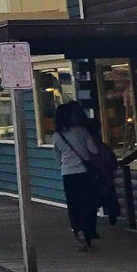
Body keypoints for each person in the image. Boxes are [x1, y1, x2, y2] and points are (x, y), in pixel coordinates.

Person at [53, 101, 99, 252]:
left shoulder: (57, 136)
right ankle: (87, 232)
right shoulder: (82, 131)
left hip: (67, 173)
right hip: (84, 172)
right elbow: (94, 150)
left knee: (73, 204)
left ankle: (77, 228)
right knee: (87, 202)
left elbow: (58, 158)